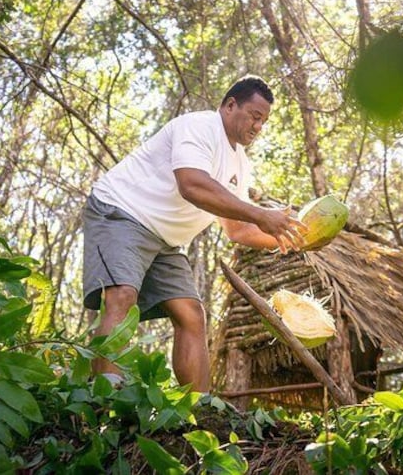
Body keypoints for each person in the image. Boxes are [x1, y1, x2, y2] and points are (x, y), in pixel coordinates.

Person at [83, 75, 306, 392]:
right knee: (121, 295)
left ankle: (200, 409)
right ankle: (105, 394)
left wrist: (292, 238)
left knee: (191, 314)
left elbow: (238, 229)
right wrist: (261, 213)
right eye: (255, 116)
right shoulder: (199, 127)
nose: (258, 127)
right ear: (230, 105)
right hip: (121, 212)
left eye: (264, 121)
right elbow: (192, 184)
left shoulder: (240, 165)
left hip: (164, 241)